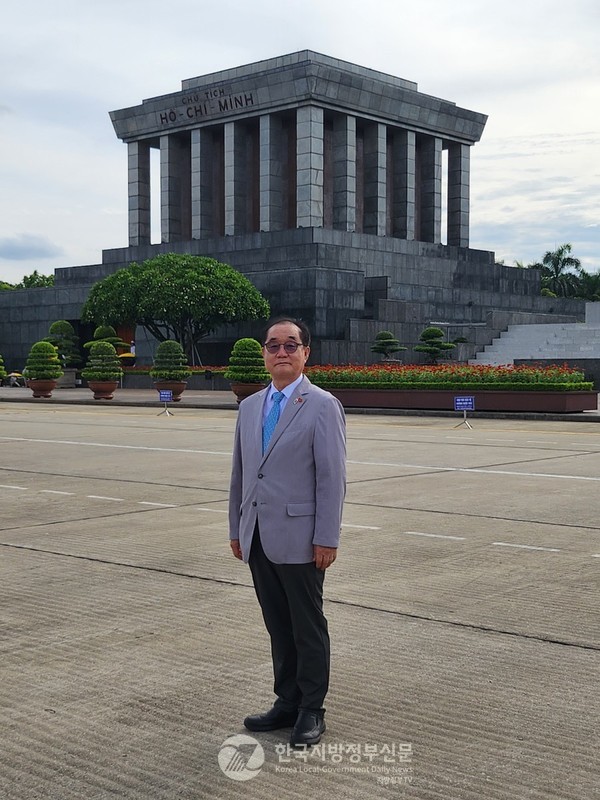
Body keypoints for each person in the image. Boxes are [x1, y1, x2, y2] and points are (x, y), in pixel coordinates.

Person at [228, 317, 346, 747]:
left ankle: (312, 708)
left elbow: (331, 478)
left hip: (301, 538)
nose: (281, 352)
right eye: (273, 345)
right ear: (264, 354)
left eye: (290, 345)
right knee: (277, 624)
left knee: (306, 626)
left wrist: (327, 537)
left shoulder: (322, 405)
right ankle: (287, 701)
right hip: (258, 535)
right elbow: (241, 474)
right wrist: (237, 528)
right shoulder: (249, 407)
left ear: (305, 353)